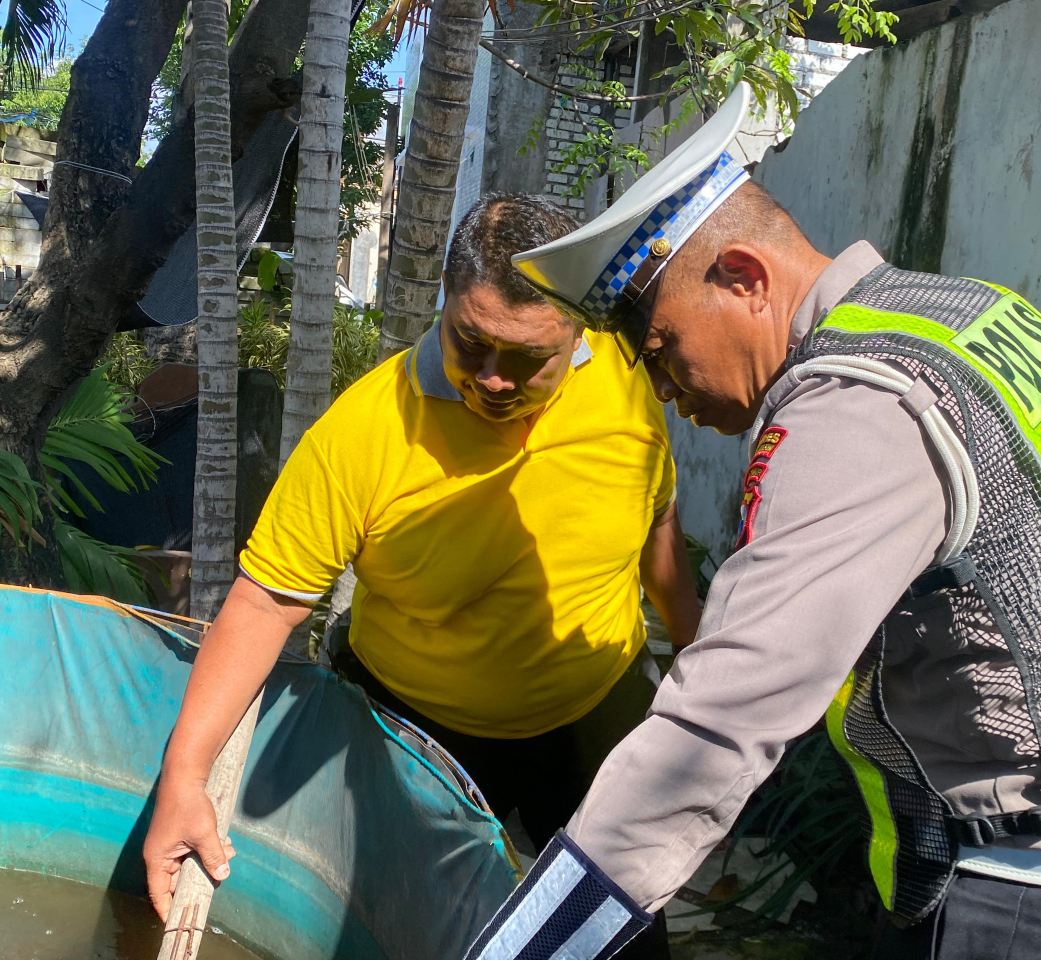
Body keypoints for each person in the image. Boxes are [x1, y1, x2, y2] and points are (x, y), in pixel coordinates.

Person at [458, 86, 1041, 960]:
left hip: (1027, 909)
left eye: (662, 350)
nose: (665, 391)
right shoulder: (962, 317)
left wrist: (524, 948)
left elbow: (719, 723)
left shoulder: (855, 407)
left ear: (743, 279)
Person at [142, 194, 700, 959]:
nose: (495, 380)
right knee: (393, 927)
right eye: (472, 343)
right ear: (444, 295)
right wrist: (185, 776)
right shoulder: (366, 432)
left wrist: (699, 656)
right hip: (416, 724)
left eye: (528, 358)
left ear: (579, 330)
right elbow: (266, 604)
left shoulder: (629, 383)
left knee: (625, 929)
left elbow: (659, 523)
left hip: (593, 712)